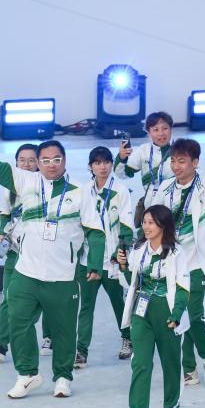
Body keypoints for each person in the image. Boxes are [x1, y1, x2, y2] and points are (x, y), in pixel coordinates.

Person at [0, 120, 105, 399]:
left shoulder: (81, 192)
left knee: (64, 330)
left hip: (62, 275)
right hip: (26, 271)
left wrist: (95, 263)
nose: (51, 165)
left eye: (56, 159)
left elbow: (95, 231)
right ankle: (27, 373)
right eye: (46, 160)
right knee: (18, 320)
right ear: (39, 163)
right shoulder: (26, 181)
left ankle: (63, 377)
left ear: (65, 160)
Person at [150, 135, 205, 387]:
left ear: (195, 162)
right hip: (173, 263)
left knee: (195, 314)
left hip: (200, 262)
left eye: (182, 161)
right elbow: (152, 221)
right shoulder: (165, 188)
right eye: (173, 161)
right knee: (178, 315)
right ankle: (188, 367)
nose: (176, 166)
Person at [117, 204, 191, 408]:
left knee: (170, 362)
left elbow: (183, 287)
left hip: (166, 311)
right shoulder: (139, 249)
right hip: (142, 311)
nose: (146, 227)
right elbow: (130, 280)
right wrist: (123, 265)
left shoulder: (177, 253)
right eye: (144, 222)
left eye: (151, 222)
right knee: (140, 362)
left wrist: (176, 314)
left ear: (163, 225)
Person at [0, 144, 43, 361]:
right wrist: (1, 232)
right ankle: (0, 343)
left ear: (39, 163)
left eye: (32, 160)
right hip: (15, 251)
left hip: (39, 253)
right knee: (8, 296)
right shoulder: (9, 188)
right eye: (22, 160)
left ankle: (49, 336)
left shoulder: (44, 186)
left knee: (41, 299)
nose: (26, 164)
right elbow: (4, 216)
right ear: (15, 163)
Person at [75, 146, 134, 368]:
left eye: (107, 162)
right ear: (90, 166)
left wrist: (121, 250)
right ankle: (81, 350)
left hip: (112, 261)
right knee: (86, 307)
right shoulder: (82, 191)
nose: (103, 167)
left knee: (119, 303)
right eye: (97, 163)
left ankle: (128, 338)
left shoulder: (121, 191)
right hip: (88, 261)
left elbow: (127, 225)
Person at [113, 111, 176, 225]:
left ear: (171, 129)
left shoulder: (181, 149)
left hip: (176, 203)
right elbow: (122, 174)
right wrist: (122, 158)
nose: (161, 133)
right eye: (155, 130)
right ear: (148, 132)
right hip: (151, 205)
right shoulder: (143, 151)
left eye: (165, 128)